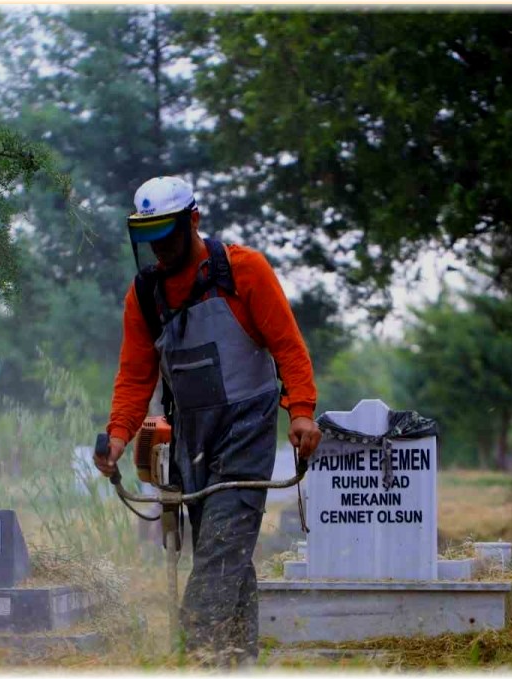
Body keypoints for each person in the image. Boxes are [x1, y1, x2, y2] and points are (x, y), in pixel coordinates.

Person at [94, 175, 322, 665]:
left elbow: (287, 346)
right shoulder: (146, 295)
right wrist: (117, 437)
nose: (158, 248)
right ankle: (239, 662)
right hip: (191, 436)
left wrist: (301, 412)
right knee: (226, 557)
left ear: (193, 221)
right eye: (147, 237)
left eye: (167, 235)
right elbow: (136, 376)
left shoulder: (244, 271)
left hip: (247, 428)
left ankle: (195, 656)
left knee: (219, 550)